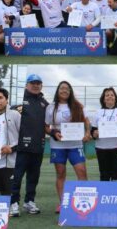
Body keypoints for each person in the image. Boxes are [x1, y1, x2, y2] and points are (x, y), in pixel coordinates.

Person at [45, 81, 91, 213]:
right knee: (60, 173)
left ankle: (85, 201)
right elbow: (46, 127)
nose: (64, 90)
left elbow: (86, 121)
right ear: (58, 91)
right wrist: (53, 133)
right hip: (58, 145)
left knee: (81, 171)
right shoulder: (51, 107)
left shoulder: (77, 106)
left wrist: (87, 133)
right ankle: (63, 203)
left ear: (70, 91)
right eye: (62, 88)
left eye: (67, 89)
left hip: (75, 144)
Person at [10, 74, 48, 217]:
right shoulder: (19, 102)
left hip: (38, 148)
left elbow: (49, 124)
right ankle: (13, 203)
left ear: (41, 85)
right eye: (32, 83)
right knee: (17, 176)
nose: (35, 85)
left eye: (38, 83)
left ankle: (29, 201)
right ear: (26, 85)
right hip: (21, 149)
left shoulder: (45, 103)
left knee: (33, 177)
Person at [91, 87, 117, 181]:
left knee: (116, 175)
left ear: (115, 98)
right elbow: (93, 131)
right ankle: (104, 195)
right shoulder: (97, 112)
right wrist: (95, 133)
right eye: (107, 95)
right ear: (103, 99)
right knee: (104, 175)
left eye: (112, 95)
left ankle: (114, 195)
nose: (110, 97)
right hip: (101, 148)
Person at [0, 88, 21, 195]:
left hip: (10, 163)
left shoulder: (15, 115)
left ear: (7, 99)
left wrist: (12, 148)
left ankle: (12, 209)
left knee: (9, 192)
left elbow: (24, 138)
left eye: (0, 98)